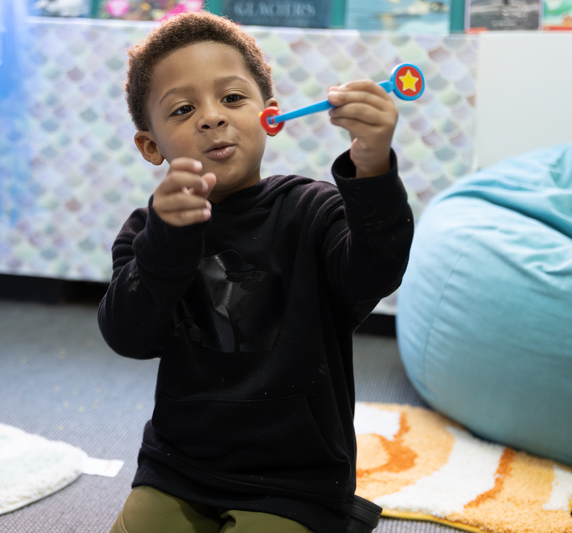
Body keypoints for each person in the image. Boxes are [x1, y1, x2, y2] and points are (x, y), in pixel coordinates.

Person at [98, 11, 414, 533]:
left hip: (296, 478)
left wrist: (373, 164)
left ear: (270, 114)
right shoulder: (146, 232)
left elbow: (373, 272)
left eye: (232, 98)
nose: (211, 118)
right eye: (182, 109)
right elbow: (129, 335)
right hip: (179, 465)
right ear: (151, 145)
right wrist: (166, 240)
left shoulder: (312, 210)